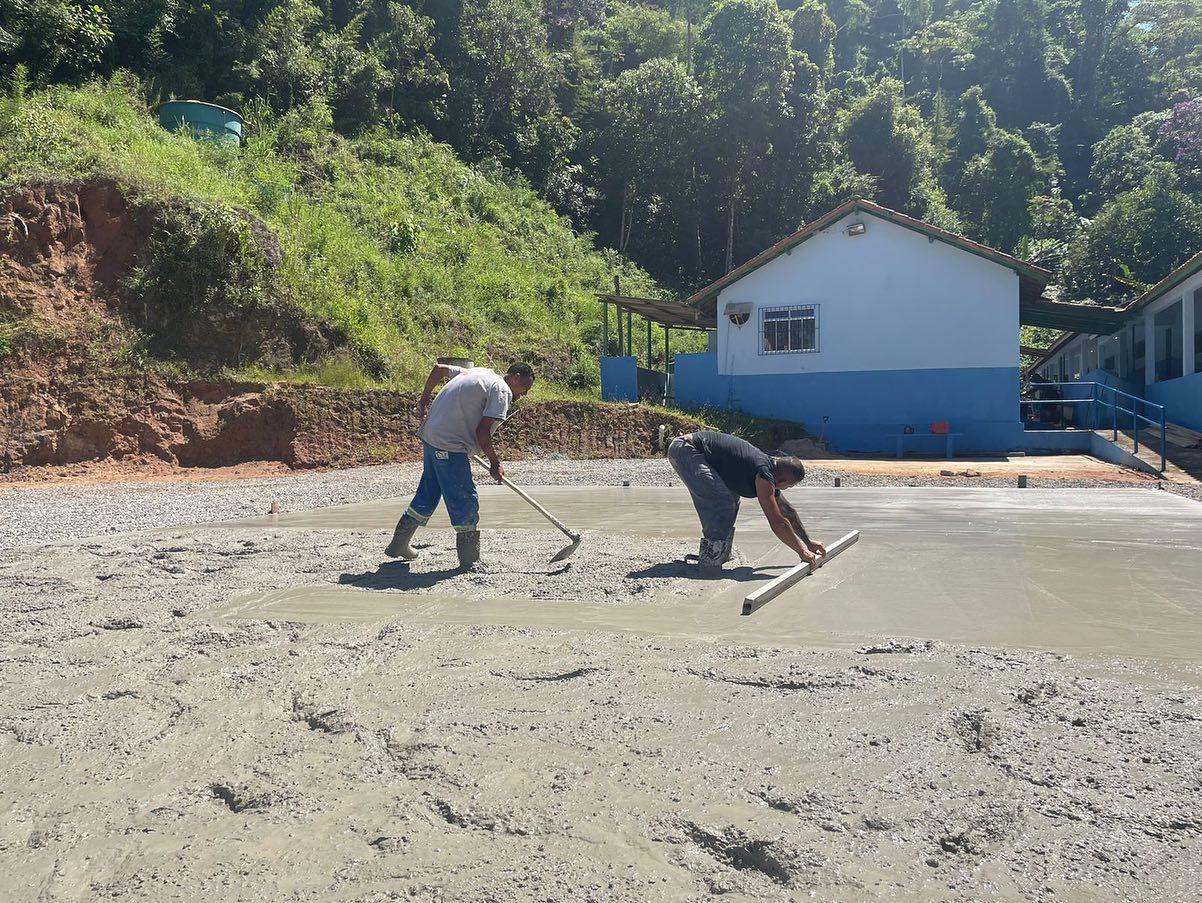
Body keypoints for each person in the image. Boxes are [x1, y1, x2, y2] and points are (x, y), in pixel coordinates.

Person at [386, 361, 536, 567]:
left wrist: (423, 401)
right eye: (525, 388)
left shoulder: (479, 372)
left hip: (431, 437)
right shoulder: (502, 391)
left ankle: (398, 544)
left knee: (428, 494)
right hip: (449, 445)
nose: (524, 394)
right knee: (464, 498)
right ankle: (470, 560)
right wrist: (494, 463)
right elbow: (482, 432)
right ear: (516, 378)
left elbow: (439, 369)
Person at [667, 430, 825, 575]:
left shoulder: (769, 471)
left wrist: (807, 542)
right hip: (686, 449)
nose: (787, 489)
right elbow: (777, 521)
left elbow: (786, 511)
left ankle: (719, 555)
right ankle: (710, 562)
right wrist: (802, 551)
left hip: (692, 450)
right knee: (722, 502)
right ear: (782, 480)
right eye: (789, 486)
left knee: (732, 500)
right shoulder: (764, 472)